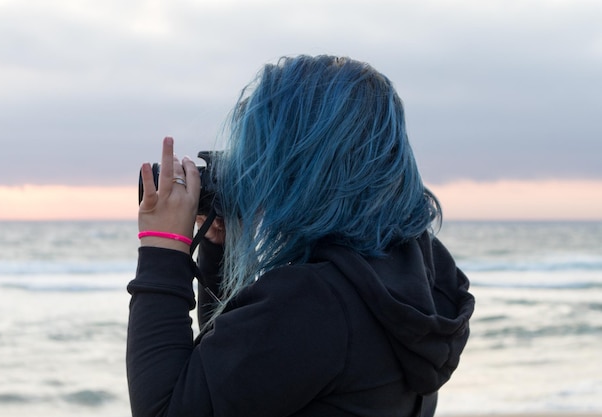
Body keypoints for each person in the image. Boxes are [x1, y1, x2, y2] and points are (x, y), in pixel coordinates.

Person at [127, 55, 475, 417]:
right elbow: (227, 381)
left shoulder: (315, 302)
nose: (253, 169)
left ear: (299, 161)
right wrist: (221, 253)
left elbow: (165, 410)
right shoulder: (415, 275)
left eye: (261, 151)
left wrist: (162, 245)